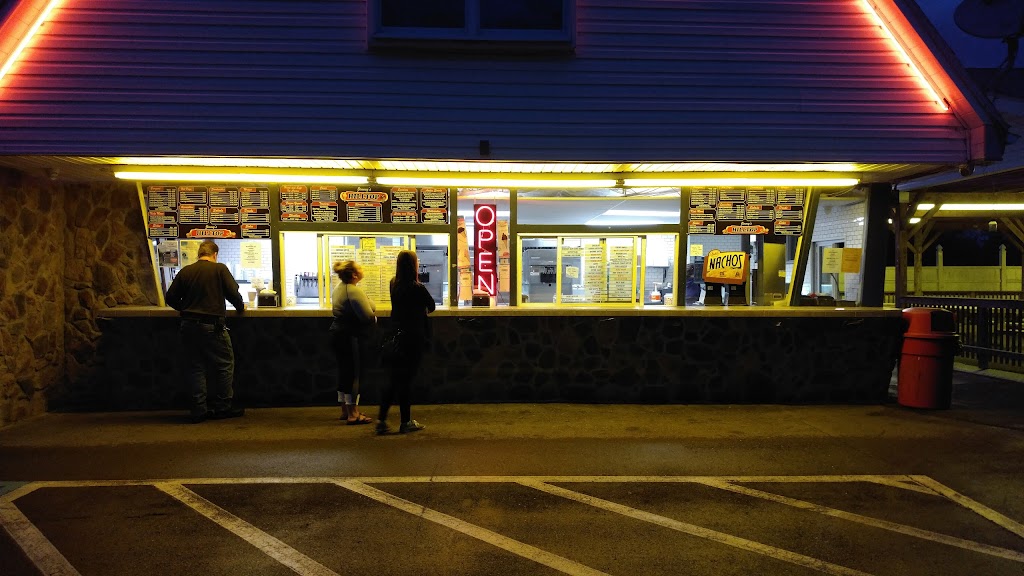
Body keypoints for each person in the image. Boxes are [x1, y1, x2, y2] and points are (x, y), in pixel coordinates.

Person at [164, 240, 246, 423]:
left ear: (199, 254)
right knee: (224, 364)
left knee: (195, 367)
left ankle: (198, 410)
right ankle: (223, 407)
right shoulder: (219, 269)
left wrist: (185, 309)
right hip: (213, 326)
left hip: (188, 326)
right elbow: (233, 293)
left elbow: (170, 297)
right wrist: (240, 307)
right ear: (215, 254)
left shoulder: (186, 271)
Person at [377, 250, 436, 435]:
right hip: (413, 339)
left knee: (394, 379)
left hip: (395, 336)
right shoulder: (417, 288)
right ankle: (405, 422)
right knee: (406, 381)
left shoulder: (393, 284)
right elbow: (432, 306)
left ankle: (381, 420)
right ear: (413, 265)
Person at [329, 260, 377, 424]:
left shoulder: (339, 288)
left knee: (344, 371)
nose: (362, 270)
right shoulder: (353, 290)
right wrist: (374, 318)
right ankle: (353, 414)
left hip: (337, 333)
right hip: (351, 335)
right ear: (354, 275)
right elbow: (368, 315)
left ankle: (345, 409)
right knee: (354, 373)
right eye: (359, 268)